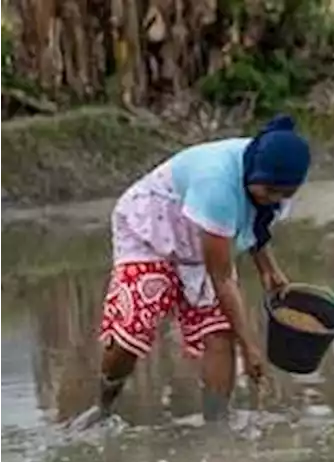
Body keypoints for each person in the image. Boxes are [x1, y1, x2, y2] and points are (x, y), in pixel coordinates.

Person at [77, 115, 311, 427]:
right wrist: (250, 345)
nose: (275, 199)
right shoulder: (217, 184)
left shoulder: (271, 179)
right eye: (270, 191)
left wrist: (269, 268)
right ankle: (103, 407)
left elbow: (255, 219)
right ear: (255, 171)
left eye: (285, 194)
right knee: (132, 329)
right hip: (152, 233)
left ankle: (217, 428)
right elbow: (222, 277)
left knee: (219, 333)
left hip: (204, 241)